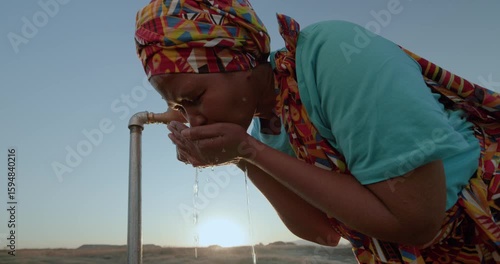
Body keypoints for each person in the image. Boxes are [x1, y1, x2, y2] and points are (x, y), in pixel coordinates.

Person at [134, 0, 500, 262]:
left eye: (195, 98)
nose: (192, 119)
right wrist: (241, 159)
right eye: (180, 109)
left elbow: (416, 220)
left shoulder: (334, 56)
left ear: (240, 59)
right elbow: (323, 233)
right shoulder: (268, 130)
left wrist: (249, 150)